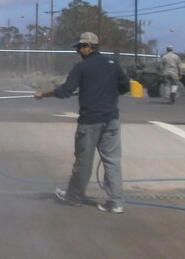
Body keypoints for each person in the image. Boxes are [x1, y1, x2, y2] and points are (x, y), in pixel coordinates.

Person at [34, 31, 131, 214]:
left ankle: (75, 197)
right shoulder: (112, 64)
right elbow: (125, 86)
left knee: (83, 162)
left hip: (90, 122)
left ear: (89, 47)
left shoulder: (81, 67)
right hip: (111, 120)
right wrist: (107, 93)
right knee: (112, 162)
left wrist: (43, 94)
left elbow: (65, 91)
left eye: (80, 47)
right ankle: (116, 202)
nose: (78, 51)